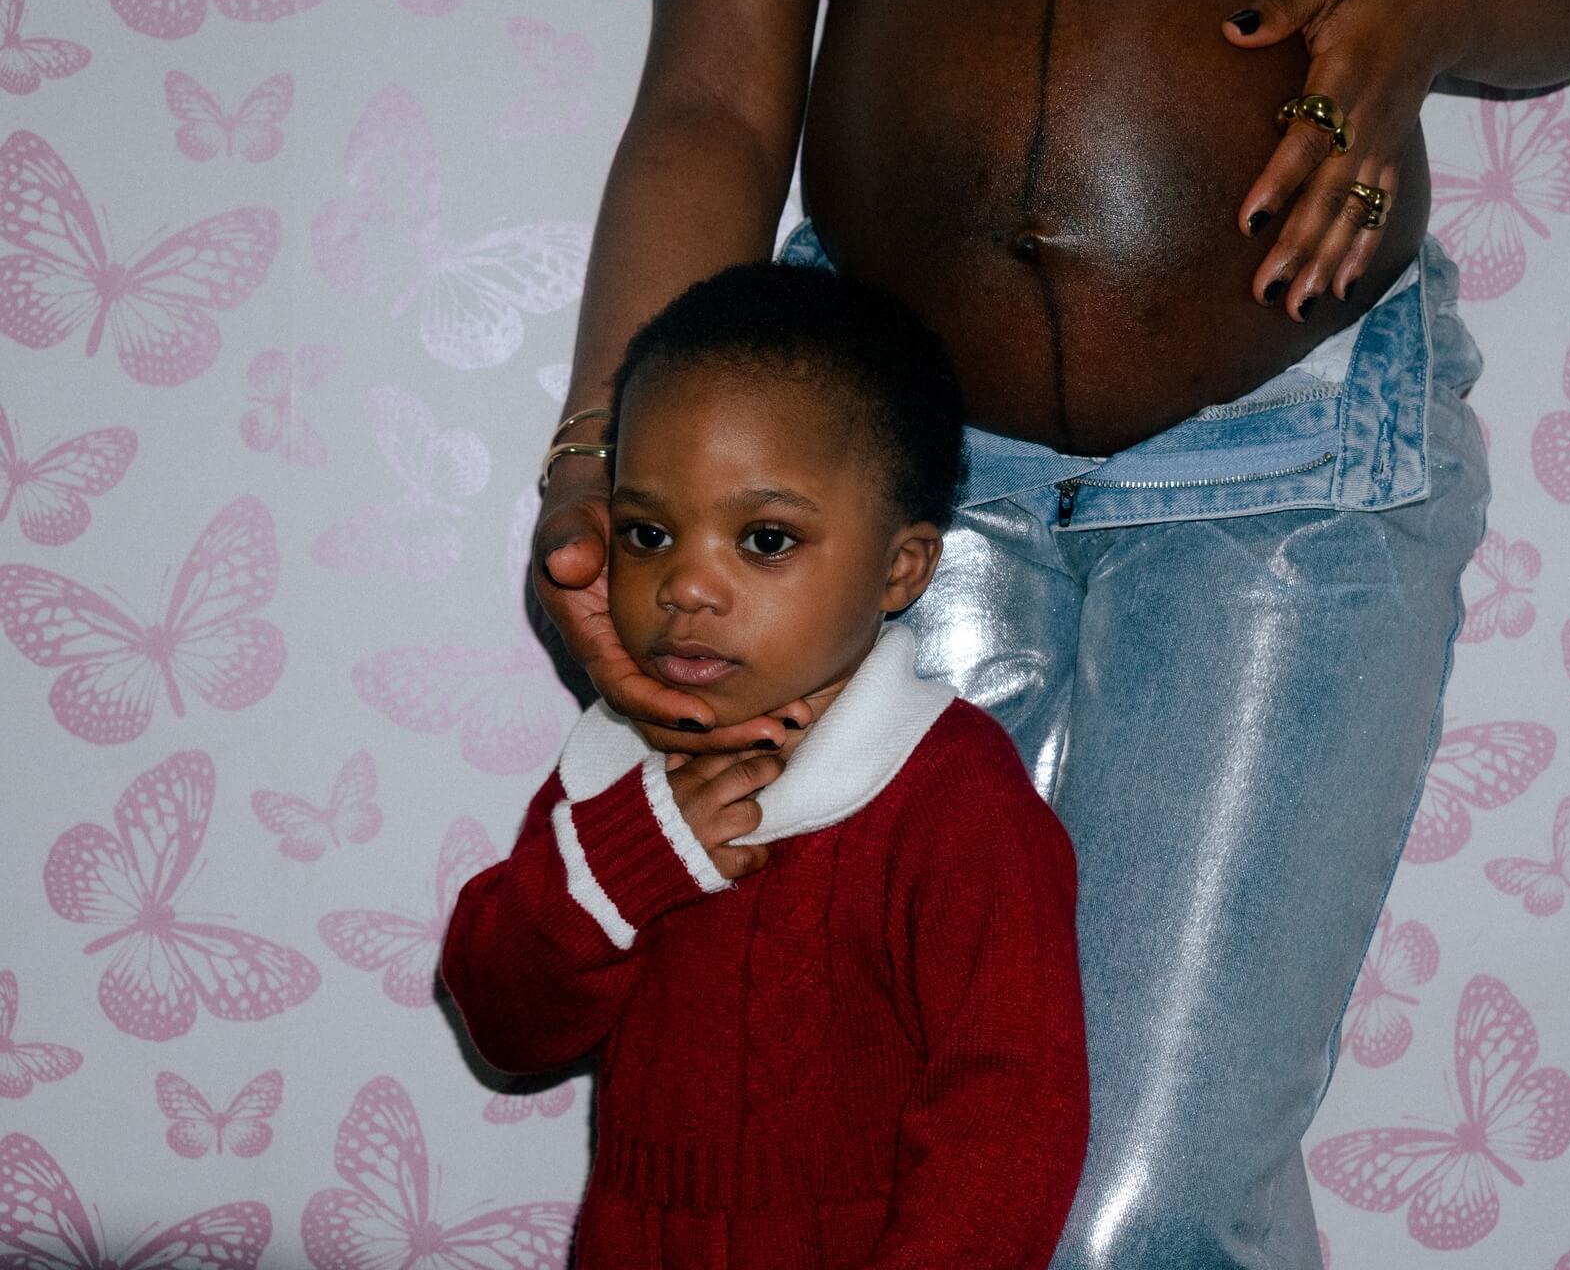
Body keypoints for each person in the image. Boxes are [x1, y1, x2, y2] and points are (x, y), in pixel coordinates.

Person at [533, 0, 1570, 1264]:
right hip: (869, 484)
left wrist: (1437, 4)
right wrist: (600, 463)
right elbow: (717, 91)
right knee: (860, 1159)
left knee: (1146, 1210)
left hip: (1296, 441)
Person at [448, 262, 1091, 1267]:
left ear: (900, 569)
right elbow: (505, 1023)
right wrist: (624, 865)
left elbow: (1010, 1124)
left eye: (764, 539)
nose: (687, 585)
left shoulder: (952, 797)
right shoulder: (616, 773)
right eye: (648, 533)